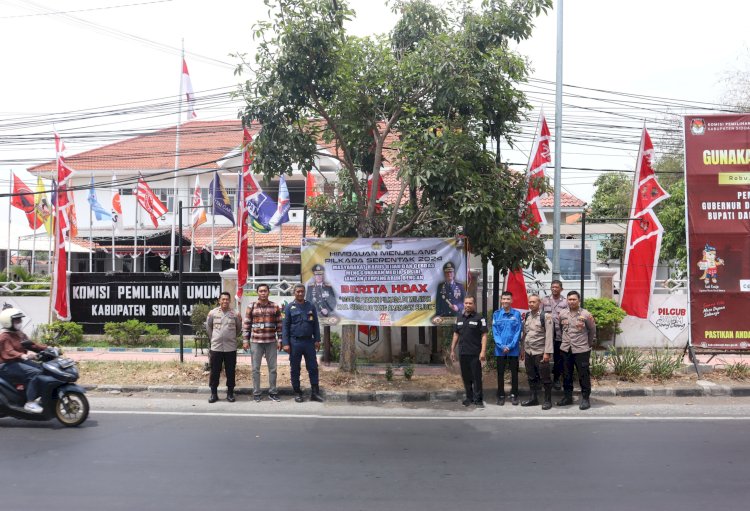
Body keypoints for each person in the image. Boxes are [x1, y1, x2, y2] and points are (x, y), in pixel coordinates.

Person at [0, 308, 48, 413]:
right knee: (35, 373)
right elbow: (9, 351)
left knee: (43, 370)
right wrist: (22, 355)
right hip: (7, 365)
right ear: (8, 322)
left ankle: (40, 397)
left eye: (19, 320)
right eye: (16, 320)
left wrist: (48, 348)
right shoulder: (4, 336)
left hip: (18, 362)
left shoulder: (19, 334)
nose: (19, 322)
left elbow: (31, 345)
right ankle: (30, 403)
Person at [282, 283, 324, 403]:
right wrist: (285, 343)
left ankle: (315, 393)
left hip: (308, 342)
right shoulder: (289, 307)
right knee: (295, 368)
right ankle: (297, 392)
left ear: (304, 292)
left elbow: (315, 324)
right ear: (294, 293)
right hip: (295, 342)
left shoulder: (310, 306)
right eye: (298, 291)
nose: (300, 293)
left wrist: (317, 339)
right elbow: (285, 326)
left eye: (302, 291)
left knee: (313, 367)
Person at [242, 284, 282, 403]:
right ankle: (257, 393)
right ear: (257, 293)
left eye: (265, 291)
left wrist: (280, 340)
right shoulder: (252, 306)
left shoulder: (275, 306)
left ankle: (273, 392)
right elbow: (247, 324)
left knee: (273, 369)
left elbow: (279, 325)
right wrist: (245, 340)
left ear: (268, 292)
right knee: (255, 369)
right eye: (261, 291)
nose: (263, 293)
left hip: (270, 342)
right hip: (256, 342)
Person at [557, 290, 597, 410]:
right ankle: (567, 397)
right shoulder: (562, 314)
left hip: (581, 349)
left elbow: (592, 331)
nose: (572, 301)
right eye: (569, 299)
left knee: (583, 375)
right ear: (567, 300)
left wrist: (587, 345)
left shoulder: (586, 314)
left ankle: (585, 398)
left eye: (574, 299)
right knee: (566, 374)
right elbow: (560, 328)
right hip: (566, 349)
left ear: (579, 300)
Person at [450, 296, 488, 408]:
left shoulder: (479, 318)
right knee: (466, 377)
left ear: (474, 304)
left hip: (475, 353)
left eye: (470, 303)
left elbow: (484, 335)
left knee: (476, 377)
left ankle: (478, 399)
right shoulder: (459, 318)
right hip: (463, 352)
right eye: (466, 303)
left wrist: (483, 351)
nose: (467, 305)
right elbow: (456, 334)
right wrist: (452, 349)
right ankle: (469, 398)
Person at [205, 291, 242, 404]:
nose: (225, 301)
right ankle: (214, 393)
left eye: (227, 299)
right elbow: (209, 328)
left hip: (230, 348)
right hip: (216, 348)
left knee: (230, 371)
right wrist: (214, 338)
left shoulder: (235, 314)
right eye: (223, 299)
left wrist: (230, 338)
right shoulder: (212, 313)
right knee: (215, 371)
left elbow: (238, 328)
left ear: (230, 301)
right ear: (219, 300)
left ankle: (230, 393)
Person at [520, 294, 554, 410]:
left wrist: (547, 353)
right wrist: (522, 350)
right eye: (529, 302)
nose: (531, 304)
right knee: (531, 377)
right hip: (529, 352)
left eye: (534, 302)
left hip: (540, 352)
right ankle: (533, 398)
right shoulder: (527, 316)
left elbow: (549, 336)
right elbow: (525, 334)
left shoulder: (546, 316)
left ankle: (547, 400)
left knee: (545, 377)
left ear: (539, 303)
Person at [492, 291, 522, 406]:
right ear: (501, 300)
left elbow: (518, 331)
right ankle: (500, 395)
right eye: (504, 299)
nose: (505, 301)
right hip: (500, 351)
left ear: (511, 300)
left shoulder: (517, 314)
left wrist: (510, 346)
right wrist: (501, 346)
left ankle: (514, 394)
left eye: (508, 299)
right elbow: (495, 332)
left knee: (514, 373)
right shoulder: (496, 314)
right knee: (500, 373)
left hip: (513, 350)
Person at [542, 279, 568, 390]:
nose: (554, 289)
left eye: (556, 287)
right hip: (546, 334)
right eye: (552, 287)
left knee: (558, 357)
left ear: (561, 289)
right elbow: (540, 315)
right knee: (544, 356)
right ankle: (544, 378)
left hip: (559, 333)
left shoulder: (565, 302)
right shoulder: (544, 300)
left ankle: (556, 379)